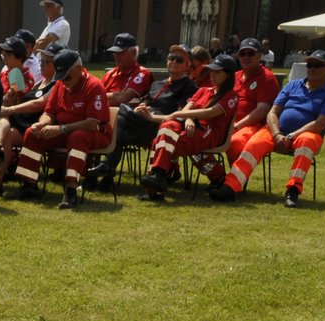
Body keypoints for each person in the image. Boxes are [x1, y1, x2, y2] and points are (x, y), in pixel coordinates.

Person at [213, 49, 325, 206]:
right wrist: (277, 134)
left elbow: (320, 123)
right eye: (310, 64)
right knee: (254, 143)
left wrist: (292, 136)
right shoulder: (292, 85)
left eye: (318, 65)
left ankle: (293, 190)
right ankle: (230, 187)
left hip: (307, 134)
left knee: (306, 142)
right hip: (275, 131)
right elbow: (272, 112)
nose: (312, 68)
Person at [83, 43, 195, 191]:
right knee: (119, 122)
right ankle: (105, 174)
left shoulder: (189, 86)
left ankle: (101, 173)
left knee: (118, 121)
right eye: (171, 57)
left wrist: (151, 116)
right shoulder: (158, 83)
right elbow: (146, 102)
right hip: (140, 125)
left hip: (161, 129)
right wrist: (143, 107)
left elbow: (179, 116)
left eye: (179, 60)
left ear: (188, 65)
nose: (174, 61)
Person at [12, 49, 107, 208]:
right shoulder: (59, 86)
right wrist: (42, 123)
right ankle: (29, 185)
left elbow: (91, 123)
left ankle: (70, 190)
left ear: (78, 69)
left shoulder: (93, 86)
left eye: (67, 76)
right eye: (61, 77)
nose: (64, 81)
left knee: (77, 136)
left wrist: (61, 129)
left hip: (95, 133)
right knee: (32, 133)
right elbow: (49, 112)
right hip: (65, 131)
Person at [138, 53, 238, 202]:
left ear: (228, 76)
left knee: (161, 143)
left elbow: (209, 113)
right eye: (211, 71)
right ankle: (160, 176)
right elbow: (187, 110)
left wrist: (185, 115)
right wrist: (188, 118)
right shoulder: (203, 90)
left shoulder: (231, 96)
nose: (212, 75)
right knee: (167, 126)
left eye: (217, 72)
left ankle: (159, 182)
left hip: (209, 133)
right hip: (193, 129)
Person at [0, 46, 55, 195]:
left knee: (4, 118)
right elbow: (23, 100)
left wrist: (11, 109)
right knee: (7, 134)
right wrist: (14, 98)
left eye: (47, 62)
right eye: (41, 61)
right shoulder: (40, 83)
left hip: (36, 124)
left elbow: (39, 104)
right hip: (21, 122)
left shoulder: (56, 85)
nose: (42, 65)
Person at [222, 38, 278, 181]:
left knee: (234, 142)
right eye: (243, 54)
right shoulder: (235, 76)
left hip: (253, 126)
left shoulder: (267, 78)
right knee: (198, 135)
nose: (246, 57)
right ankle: (217, 176)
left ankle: (234, 181)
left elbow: (262, 110)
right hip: (226, 124)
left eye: (250, 53)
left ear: (260, 56)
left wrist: (237, 126)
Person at [101, 33, 151, 106]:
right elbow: (95, 96)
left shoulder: (142, 73)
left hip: (123, 115)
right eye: (115, 52)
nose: (116, 56)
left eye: (120, 52)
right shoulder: (110, 74)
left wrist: (101, 97)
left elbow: (123, 98)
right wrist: (115, 95)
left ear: (133, 52)